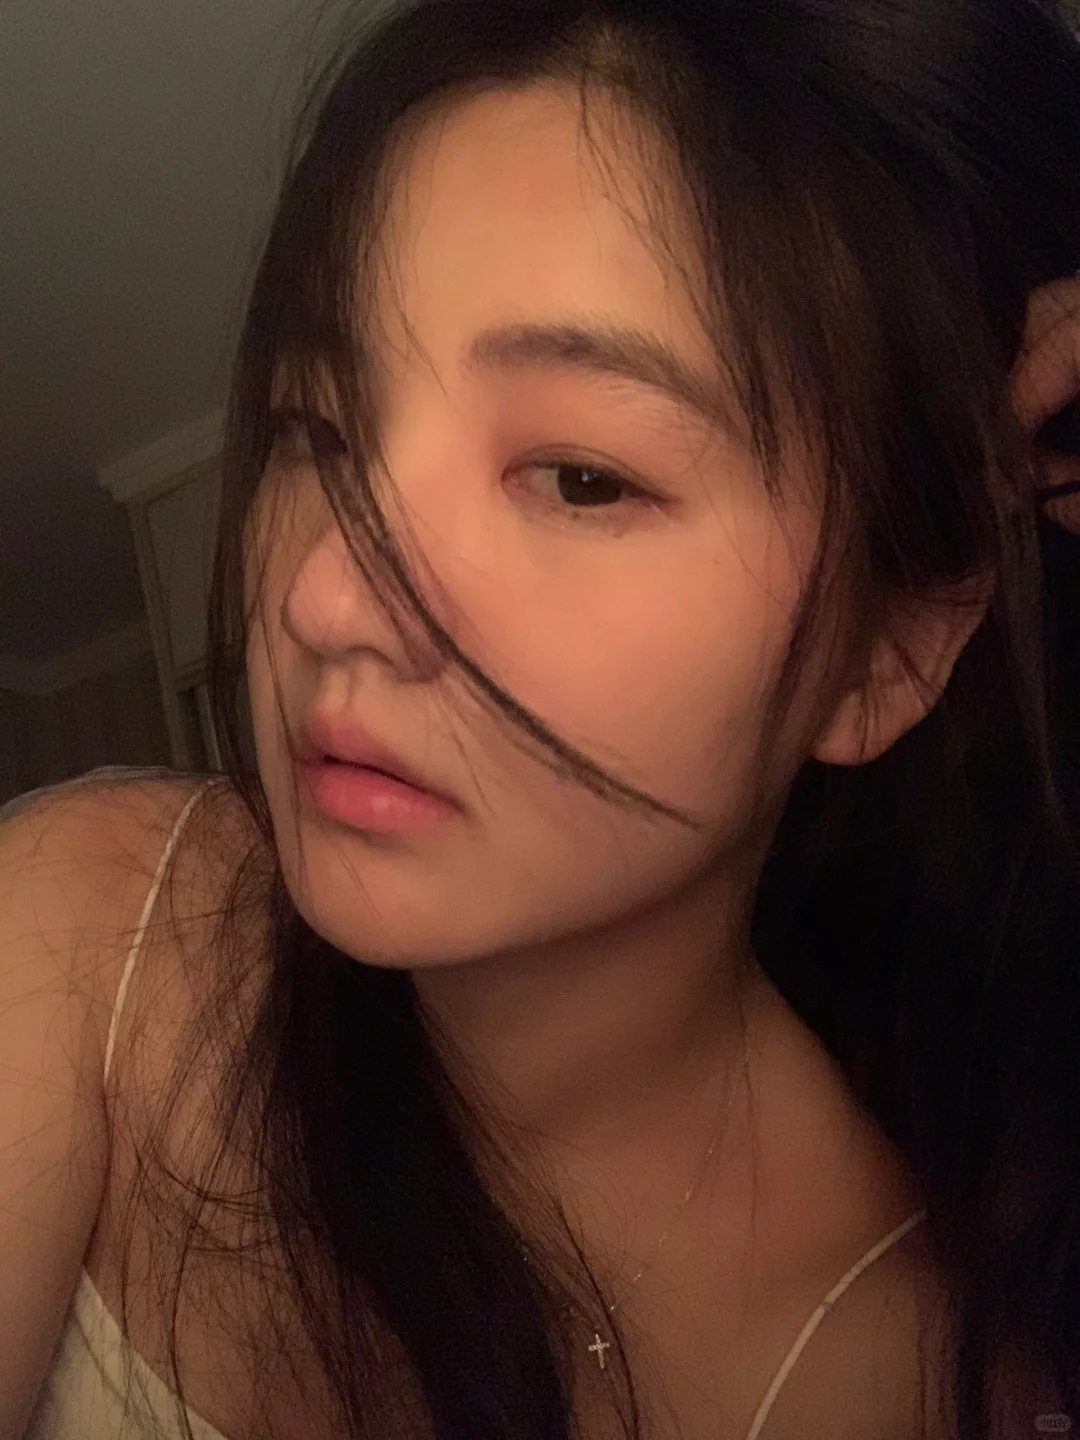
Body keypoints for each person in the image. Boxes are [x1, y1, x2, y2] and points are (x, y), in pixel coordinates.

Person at [3, 1, 1079, 1437]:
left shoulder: (955, 1377)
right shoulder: (91, 944)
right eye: (319, 428)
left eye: (580, 478)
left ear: (885, 655)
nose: (324, 598)